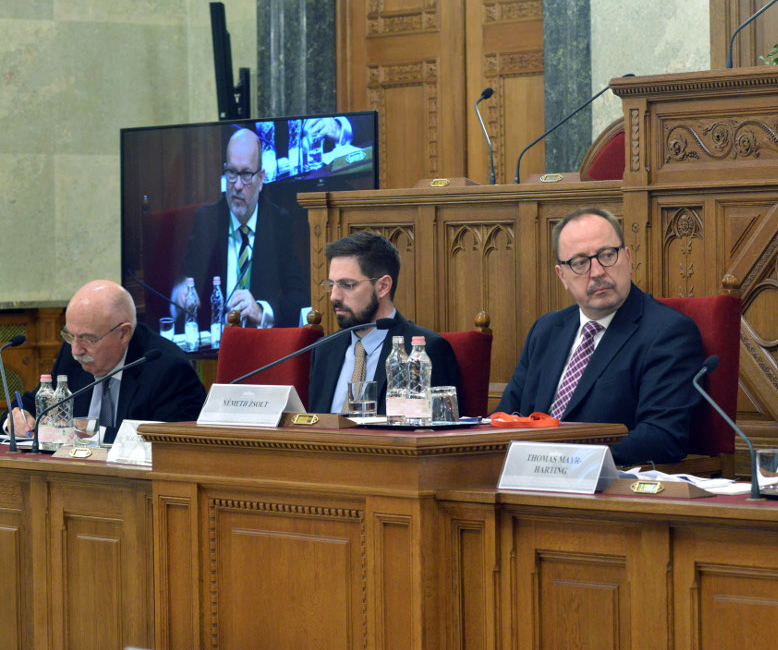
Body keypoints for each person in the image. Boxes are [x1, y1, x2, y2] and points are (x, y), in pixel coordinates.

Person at [494, 207, 704, 466]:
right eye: (580, 263)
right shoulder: (546, 330)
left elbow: (662, 436)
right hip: (525, 475)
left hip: (604, 480)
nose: (597, 272)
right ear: (562, 276)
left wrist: (564, 458)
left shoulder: (668, 332)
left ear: (628, 258)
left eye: (607, 255)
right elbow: (504, 416)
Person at [8, 280, 204, 443]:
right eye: (70, 335)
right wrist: (16, 419)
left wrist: (84, 435)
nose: (76, 350)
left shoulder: (168, 370)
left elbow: (173, 446)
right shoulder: (73, 353)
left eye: (88, 339)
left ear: (123, 333)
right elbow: (32, 405)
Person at [307, 231, 462, 414]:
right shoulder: (324, 350)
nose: (334, 296)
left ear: (383, 286)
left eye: (347, 285)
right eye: (332, 284)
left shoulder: (426, 351)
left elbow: (440, 426)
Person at [171, 128, 310, 328]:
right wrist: (180, 296)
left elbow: (299, 300)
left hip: (260, 341)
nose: (237, 185)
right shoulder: (207, 221)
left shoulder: (278, 222)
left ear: (261, 179)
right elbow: (186, 286)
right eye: (232, 173)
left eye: (246, 174)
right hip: (216, 341)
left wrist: (261, 311)